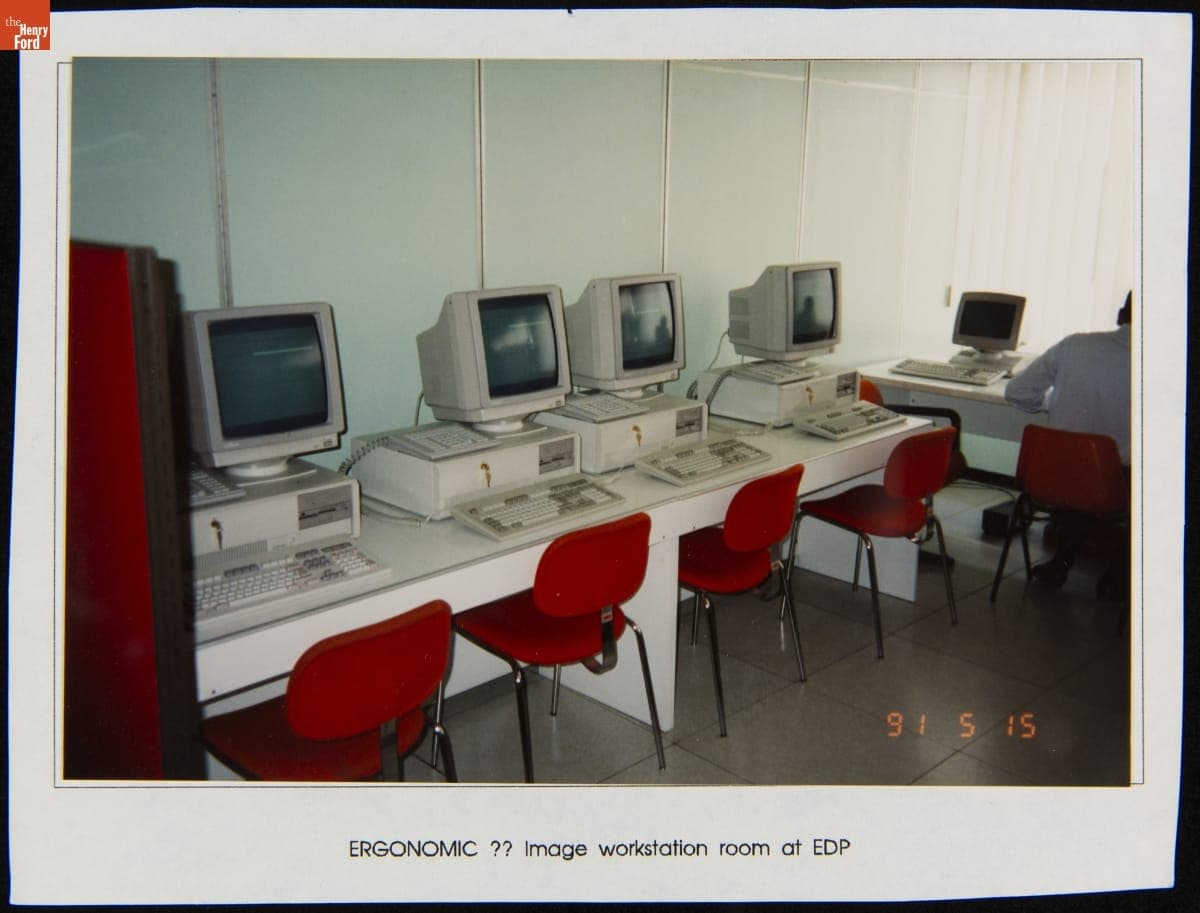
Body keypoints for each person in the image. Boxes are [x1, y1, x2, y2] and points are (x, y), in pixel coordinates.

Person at [1003, 293, 1131, 595]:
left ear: (1120, 314)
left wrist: (1058, 404)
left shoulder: (1074, 345)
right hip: (1112, 486)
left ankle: (1061, 561)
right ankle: (1119, 575)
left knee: (1084, 473)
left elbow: (1017, 392)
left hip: (1052, 478)